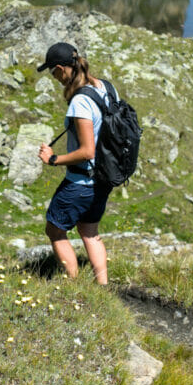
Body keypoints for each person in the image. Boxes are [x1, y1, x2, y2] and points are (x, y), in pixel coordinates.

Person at [37, 42, 112, 284]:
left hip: (82, 181)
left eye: (53, 72)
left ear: (61, 69)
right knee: (89, 232)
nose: (55, 77)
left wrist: (53, 159)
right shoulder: (105, 87)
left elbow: (87, 151)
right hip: (104, 178)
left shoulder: (80, 101)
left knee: (55, 230)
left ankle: (73, 285)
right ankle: (103, 287)